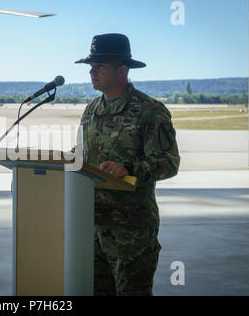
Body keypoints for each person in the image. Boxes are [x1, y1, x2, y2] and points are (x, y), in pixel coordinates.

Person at [74, 33, 180, 295]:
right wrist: (60, 162)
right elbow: (83, 155)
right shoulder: (91, 110)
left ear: (122, 70)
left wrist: (130, 169)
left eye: (99, 66)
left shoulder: (149, 111)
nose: (92, 71)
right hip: (92, 228)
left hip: (131, 232)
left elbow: (169, 162)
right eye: (91, 66)